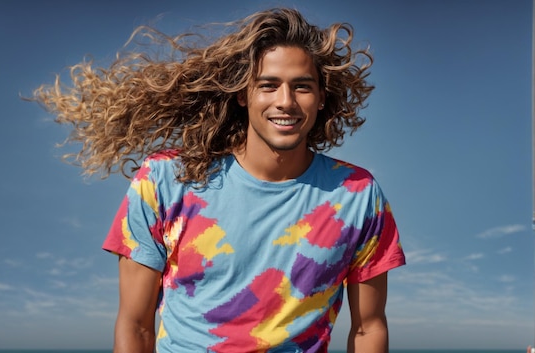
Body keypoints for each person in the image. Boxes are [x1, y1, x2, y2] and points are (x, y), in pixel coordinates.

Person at [33, 7, 406, 353]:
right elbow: (136, 325)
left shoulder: (357, 195)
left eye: (302, 86)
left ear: (322, 97)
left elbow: (368, 328)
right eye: (268, 85)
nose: (286, 101)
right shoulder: (165, 181)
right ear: (243, 94)